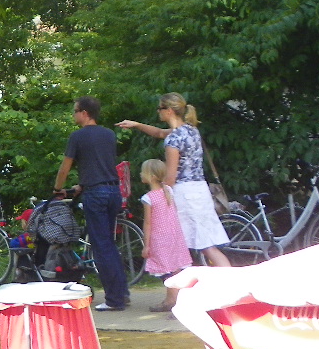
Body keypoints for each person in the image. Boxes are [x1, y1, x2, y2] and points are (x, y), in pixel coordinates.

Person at [118, 92, 231, 268]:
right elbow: (159, 132)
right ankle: (227, 279)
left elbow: (170, 176)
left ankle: (221, 280)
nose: (158, 111)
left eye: (160, 108)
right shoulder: (191, 130)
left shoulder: (174, 138)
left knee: (190, 246)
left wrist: (159, 195)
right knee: (207, 245)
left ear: (169, 110)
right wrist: (137, 125)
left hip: (184, 194)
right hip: (200, 191)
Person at [53, 96, 130, 311]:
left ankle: (114, 300)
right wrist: (82, 185)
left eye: (75, 111)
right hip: (113, 191)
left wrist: (57, 188)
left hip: (95, 195)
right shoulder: (109, 134)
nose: (73, 115)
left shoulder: (77, 136)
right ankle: (122, 292)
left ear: (84, 113)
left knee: (101, 246)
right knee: (109, 244)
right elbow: (101, 165)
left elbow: (65, 167)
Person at [139, 159, 192, 313]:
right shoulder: (168, 191)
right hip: (174, 236)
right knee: (175, 268)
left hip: (160, 239)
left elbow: (148, 223)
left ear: (151, 176)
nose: (140, 174)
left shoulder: (148, 198)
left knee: (166, 271)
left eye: (143, 172)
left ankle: (176, 302)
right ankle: (171, 299)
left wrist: (146, 245)